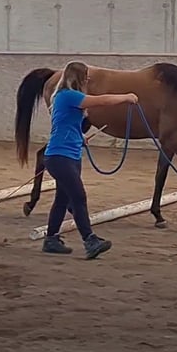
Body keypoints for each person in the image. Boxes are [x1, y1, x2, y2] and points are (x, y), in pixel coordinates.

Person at [41, 61, 138, 259]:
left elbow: (65, 123)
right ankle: (89, 240)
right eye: (86, 77)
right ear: (80, 78)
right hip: (60, 156)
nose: (88, 80)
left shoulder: (64, 97)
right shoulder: (69, 95)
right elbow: (101, 101)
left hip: (69, 155)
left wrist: (80, 137)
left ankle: (51, 239)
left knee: (62, 199)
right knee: (78, 197)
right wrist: (126, 97)